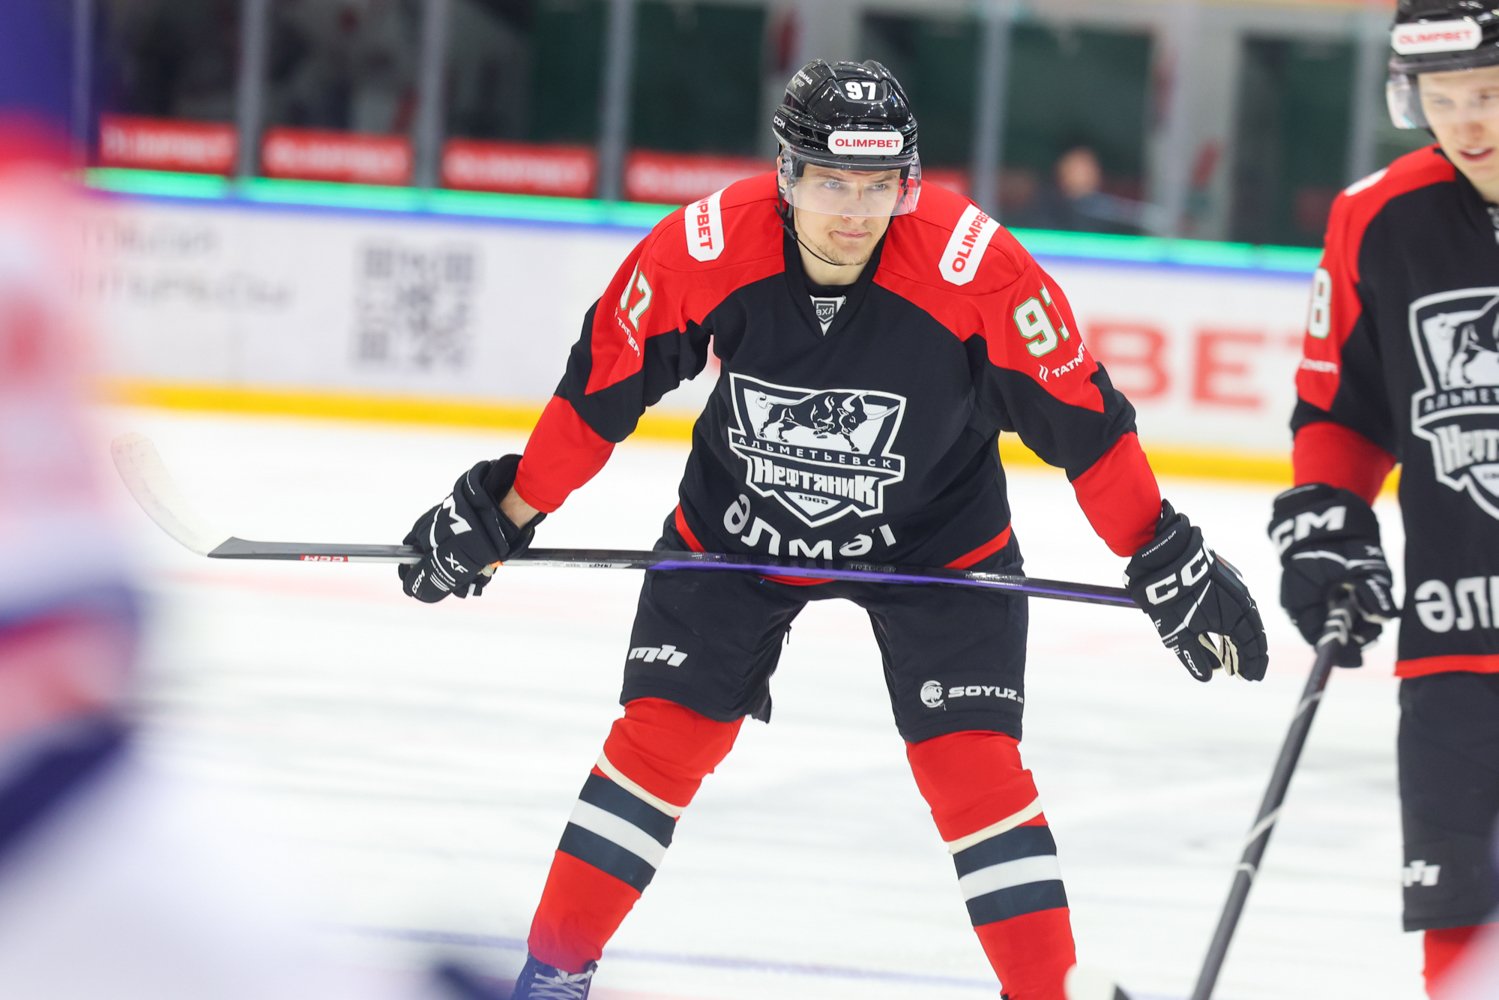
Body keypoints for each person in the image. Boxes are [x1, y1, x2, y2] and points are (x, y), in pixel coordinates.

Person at [400, 59, 1269, 1000]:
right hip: (738, 528)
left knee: (973, 772)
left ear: (908, 181)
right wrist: (507, 510)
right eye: (829, 182)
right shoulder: (702, 248)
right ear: (786, 174)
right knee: (660, 741)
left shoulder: (977, 270)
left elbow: (1086, 428)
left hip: (939, 539)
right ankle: (552, 979)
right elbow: (599, 391)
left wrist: (1159, 552)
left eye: (878, 185)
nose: (854, 212)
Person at [1266, 2, 1499, 996]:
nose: (1464, 121)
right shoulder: (1377, 215)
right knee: (1456, 914)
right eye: (1440, 98)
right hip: (1455, 635)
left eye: (1486, 93)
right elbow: (1340, 408)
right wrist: (1327, 521)